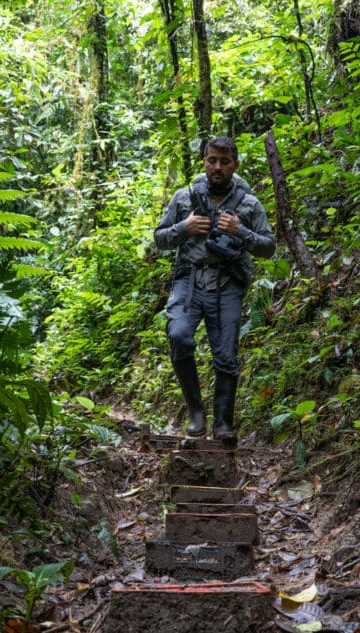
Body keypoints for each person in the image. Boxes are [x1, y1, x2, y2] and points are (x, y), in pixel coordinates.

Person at [154, 136, 276, 439]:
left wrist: (241, 231)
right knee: (179, 336)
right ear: (204, 162)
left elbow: (268, 247)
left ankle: (223, 423)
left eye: (224, 161)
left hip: (227, 282)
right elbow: (159, 238)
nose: (217, 167)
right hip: (189, 281)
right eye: (212, 160)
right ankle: (195, 412)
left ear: (235, 165)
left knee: (226, 355)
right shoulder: (184, 198)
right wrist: (185, 228)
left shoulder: (248, 203)